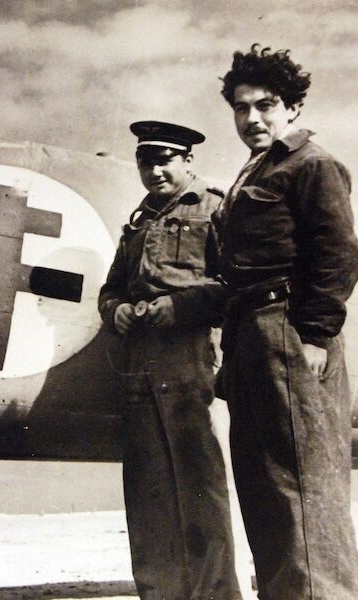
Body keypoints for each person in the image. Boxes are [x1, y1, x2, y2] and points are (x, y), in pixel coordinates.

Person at [217, 44, 358, 599]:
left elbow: (339, 252)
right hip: (251, 332)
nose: (252, 118)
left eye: (266, 105)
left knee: (302, 482)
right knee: (263, 484)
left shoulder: (312, 164)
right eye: (241, 107)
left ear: (293, 107)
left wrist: (318, 334)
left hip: (288, 328)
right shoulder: (257, 169)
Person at [98, 121, 241, 600]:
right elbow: (112, 287)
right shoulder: (139, 221)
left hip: (191, 354)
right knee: (147, 490)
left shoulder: (216, 209)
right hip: (140, 359)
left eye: (165, 160)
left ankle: (215, 595)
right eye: (146, 161)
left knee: (200, 487)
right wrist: (114, 309)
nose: (154, 170)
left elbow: (237, 285)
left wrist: (181, 307)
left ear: (187, 161)